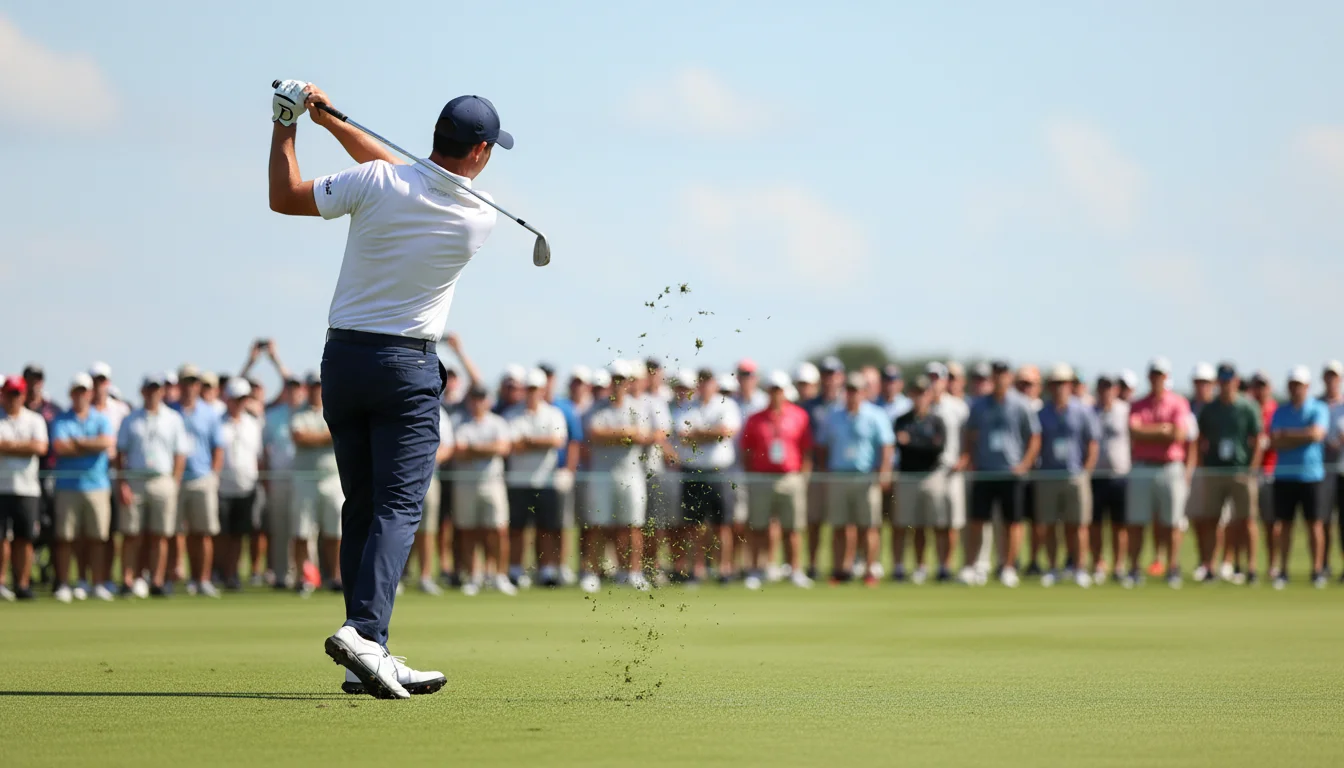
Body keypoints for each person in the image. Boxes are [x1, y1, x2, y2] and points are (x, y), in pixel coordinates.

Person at [270, 79, 513, 697]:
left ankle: (363, 658)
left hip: (343, 361)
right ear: (480, 152)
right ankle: (365, 632)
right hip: (406, 369)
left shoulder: (376, 184)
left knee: (362, 507)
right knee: (398, 508)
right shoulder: (477, 216)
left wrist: (293, 122)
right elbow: (403, 175)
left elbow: (285, 198)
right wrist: (330, 123)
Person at [961, 361, 1040, 588]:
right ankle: (970, 566)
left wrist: (1025, 464)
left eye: (1003, 375)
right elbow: (970, 434)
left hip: (1011, 473)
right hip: (985, 472)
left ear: (1010, 377)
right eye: (996, 375)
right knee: (977, 521)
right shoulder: (979, 405)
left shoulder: (1021, 404)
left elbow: (1034, 437)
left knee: (1013, 523)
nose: (999, 379)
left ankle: (1008, 567)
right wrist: (971, 460)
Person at [114, 373, 190, 598]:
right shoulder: (131, 419)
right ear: (142, 391)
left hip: (162, 480)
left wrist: (174, 482)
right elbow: (120, 453)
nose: (153, 393)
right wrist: (122, 483)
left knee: (160, 535)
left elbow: (180, 454)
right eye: (149, 389)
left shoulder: (173, 418)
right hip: (135, 479)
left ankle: (157, 580)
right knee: (131, 534)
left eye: (157, 389)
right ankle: (128, 580)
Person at [817, 372, 894, 586]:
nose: (852, 394)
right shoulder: (834, 414)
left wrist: (884, 471)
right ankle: (841, 570)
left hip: (865, 476)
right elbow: (823, 445)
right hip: (839, 475)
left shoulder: (875, 414)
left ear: (864, 392)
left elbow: (886, 445)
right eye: (849, 390)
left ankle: (870, 570)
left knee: (869, 526)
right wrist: (825, 471)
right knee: (840, 527)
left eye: (857, 390)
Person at [582, 361, 652, 592]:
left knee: (632, 526)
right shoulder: (596, 408)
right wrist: (626, 433)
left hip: (632, 475)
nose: (618, 384)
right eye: (615, 379)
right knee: (598, 525)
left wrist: (616, 435)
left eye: (622, 379)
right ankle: (592, 573)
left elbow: (643, 436)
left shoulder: (638, 407)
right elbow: (594, 434)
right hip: (602, 475)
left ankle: (632, 572)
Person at [740, 371, 813, 590]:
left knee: (793, 529)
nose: (775, 394)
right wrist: (752, 473)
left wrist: (803, 478)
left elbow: (806, 450)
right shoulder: (755, 418)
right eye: (772, 389)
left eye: (779, 389)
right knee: (758, 527)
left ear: (785, 391)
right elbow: (747, 451)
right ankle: (756, 569)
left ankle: (795, 570)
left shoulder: (799, 416)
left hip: (790, 478)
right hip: (762, 477)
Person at [1192, 364, 1263, 584]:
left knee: (1247, 521)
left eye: (1229, 379)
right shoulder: (1210, 408)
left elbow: (1258, 439)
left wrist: (1252, 468)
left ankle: (1251, 569)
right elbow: (1199, 439)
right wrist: (1203, 466)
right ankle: (1210, 568)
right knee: (1212, 521)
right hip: (1215, 471)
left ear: (1236, 380)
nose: (1225, 383)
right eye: (1221, 379)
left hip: (1241, 472)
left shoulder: (1248, 406)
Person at [674, 369, 744, 585]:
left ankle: (724, 569)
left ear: (714, 384)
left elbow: (726, 432)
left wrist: (699, 434)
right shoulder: (687, 407)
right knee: (694, 526)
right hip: (692, 471)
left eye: (708, 382)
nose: (704, 386)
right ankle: (697, 570)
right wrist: (711, 433)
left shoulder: (727, 405)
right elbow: (683, 436)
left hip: (719, 471)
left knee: (722, 524)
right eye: (701, 382)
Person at [1126, 358, 1191, 589]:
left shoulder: (1179, 402)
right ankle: (1134, 569)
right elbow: (1134, 431)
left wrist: (1149, 432)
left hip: (1170, 467)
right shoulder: (1138, 404)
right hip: (1143, 466)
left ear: (1167, 377)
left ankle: (1173, 568)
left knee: (1173, 522)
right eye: (1153, 374)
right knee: (1137, 522)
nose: (1157, 378)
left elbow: (1179, 434)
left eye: (1160, 374)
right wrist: (1163, 429)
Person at [50, 374, 116, 603]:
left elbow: (106, 443)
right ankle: (67, 584)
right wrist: (90, 444)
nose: (81, 396)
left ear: (90, 393)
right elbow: (60, 447)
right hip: (67, 486)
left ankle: (97, 584)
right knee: (66, 538)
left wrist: (77, 442)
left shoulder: (101, 418)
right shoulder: (61, 419)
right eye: (76, 391)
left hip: (97, 485)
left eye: (84, 391)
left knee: (97, 538)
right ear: (71, 394)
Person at [1034, 364, 1099, 588]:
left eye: (1063, 383)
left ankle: (1079, 568)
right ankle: (1053, 568)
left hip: (1075, 475)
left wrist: (1086, 471)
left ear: (1071, 385)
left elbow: (1092, 443)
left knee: (1078, 525)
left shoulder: (1082, 410)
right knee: (1050, 525)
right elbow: (1036, 443)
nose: (1059, 388)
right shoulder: (1042, 412)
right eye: (1055, 383)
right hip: (1049, 475)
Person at [504, 369, 567, 589]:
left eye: (535, 389)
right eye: (528, 389)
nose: (531, 393)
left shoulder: (553, 414)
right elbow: (511, 445)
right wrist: (541, 442)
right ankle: (515, 571)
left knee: (546, 528)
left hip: (545, 482)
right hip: (518, 482)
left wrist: (529, 441)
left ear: (542, 390)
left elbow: (557, 441)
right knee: (517, 529)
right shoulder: (512, 414)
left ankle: (546, 571)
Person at [1269, 366, 1330, 589]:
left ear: (1307, 387)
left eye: (1300, 385)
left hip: (1311, 476)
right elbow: (1274, 440)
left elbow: (1316, 434)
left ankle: (1317, 570)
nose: (1296, 389)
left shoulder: (1318, 408)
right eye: (1293, 384)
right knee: (1284, 525)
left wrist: (1288, 435)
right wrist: (1301, 435)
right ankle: (1283, 571)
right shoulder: (1280, 411)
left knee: (1315, 525)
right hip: (1284, 476)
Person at [893, 376, 957, 583]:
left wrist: (912, 442)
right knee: (912, 525)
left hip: (932, 477)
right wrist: (920, 444)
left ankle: (942, 567)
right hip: (908, 477)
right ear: (911, 395)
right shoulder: (902, 420)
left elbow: (936, 449)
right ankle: (915, 567)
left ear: (929, 395)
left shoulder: (937, 421)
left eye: (924, 393)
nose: (920, 397)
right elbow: (901, 447)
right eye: (916, 393)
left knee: (938, 525)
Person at [452, 386, 514, 596]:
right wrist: (487, 448)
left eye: (481, 399)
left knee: (498, 531)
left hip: (493, 484)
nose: (477, 403)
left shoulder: (498, 423)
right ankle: (474, 576)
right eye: (474, 399)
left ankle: (500, 576)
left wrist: (473, 448)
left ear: (487, 401)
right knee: (468, 531)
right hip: (466, 485)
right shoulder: (461, 424)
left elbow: (503, 448)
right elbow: (458, 452)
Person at [291, 373, 344, 596]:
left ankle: (336, 577)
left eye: (318, 386)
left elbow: (340, 433)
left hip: (332, 479)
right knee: (303, 532)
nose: (315, 391)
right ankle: (305, 577)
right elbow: (300, 437)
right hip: (305, 479)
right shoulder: (299, 413)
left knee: (336, 532)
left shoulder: (335, 409)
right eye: (312, 386)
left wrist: (320, 437)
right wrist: (327, 436)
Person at [174, 364, 223, 598]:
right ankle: (181, 578)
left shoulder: (210, 413)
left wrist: (213, 475)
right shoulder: (171, 411)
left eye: (194, 382)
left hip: (203, 478)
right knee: (178, 533)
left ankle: (202, 579)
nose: (190, 386)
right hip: (177, 480)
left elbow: (218, 448)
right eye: (186, 381)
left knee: (203, 533)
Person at [0, 375, 49, 601]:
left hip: (27, 489)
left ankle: (22, 584)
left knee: (25, 539)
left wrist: (8, 446)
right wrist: (24, 446)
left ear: (23, 396)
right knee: (2, 539)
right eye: (10, 393)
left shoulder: (35, 420)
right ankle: (2, 583)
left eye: (17, 393)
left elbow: (39, 447)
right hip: (2, 488)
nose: (13, 398)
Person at [216, 378, 265, 592]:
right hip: (221, 487)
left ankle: (232, 574)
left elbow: (259, 456)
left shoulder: (253, 424)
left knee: (239, 535)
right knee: (221, 535)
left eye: (243, 398)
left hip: (247, 486)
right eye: (235, 398)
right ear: (227, 399)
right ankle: (219, 573)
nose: (239, 403)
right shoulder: (218, 423)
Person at [801, 356, 844, 579]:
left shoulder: (848, 404)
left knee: (841, 524)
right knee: (814, 522)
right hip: (817, 473)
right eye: (826, 374)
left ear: (841, 377)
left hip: (841, 472)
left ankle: (842, 566)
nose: (830, 379)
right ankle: (813, 565)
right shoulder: (809, 406)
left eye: (833, 374)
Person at [1089, 375, 1131, 584]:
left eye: (1109, 387)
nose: (1105, 392)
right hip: (1096, 476)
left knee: (1119, 525)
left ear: (1115, 389)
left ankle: (1118, 566)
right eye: (1102, 387)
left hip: (1119, 475)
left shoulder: (1125, 410)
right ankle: (1098, 563)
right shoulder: (1090, 411)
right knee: (1095, 524)